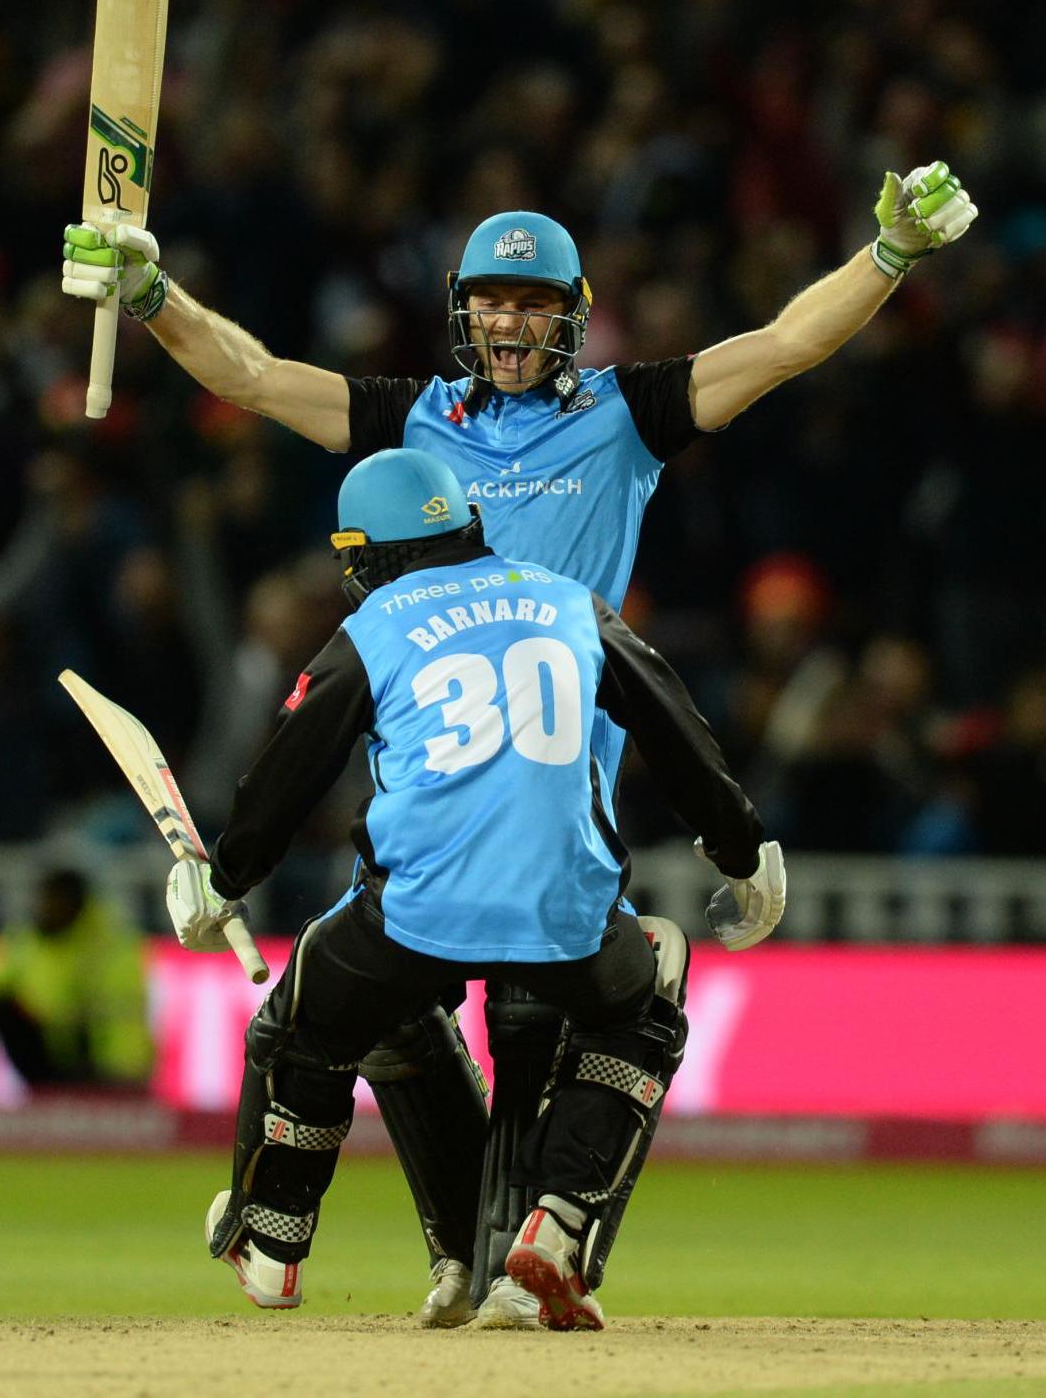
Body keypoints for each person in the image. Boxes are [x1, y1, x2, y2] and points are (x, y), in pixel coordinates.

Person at [62, 166, 975, 1325]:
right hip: (459, 795)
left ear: (569, 314)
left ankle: (466, 1257)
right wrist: (154, 299)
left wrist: (886, 256)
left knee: (449, 1018)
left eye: (528, 302)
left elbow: (785, 343)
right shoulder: (414, 419)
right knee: (437, 1017)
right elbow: (248, 377)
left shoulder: (623, 414)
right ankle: (481, 1256)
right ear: (462, 312)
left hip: (562, 797)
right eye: (488, 301)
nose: (507, 321)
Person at [169, 449, 784, 1329]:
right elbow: (670, 719)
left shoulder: (376, 622)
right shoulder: (570, 600)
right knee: (646, 987)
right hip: (568, 916)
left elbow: (294, 765)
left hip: (413, 919)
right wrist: (743, 846)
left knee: (307, 1017)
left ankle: (273, 1244)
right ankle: (560, 1218)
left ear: (368, 551)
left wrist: (223, 877)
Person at [0, 867, 153, 1090]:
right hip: (55, 1047)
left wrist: (125, 1074)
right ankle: (43, 1091)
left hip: (105, 1062)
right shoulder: (28, 939)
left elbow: (115, 1016)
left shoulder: (107, 943)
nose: (46, 909)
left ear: (75, 904)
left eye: (53, 902)